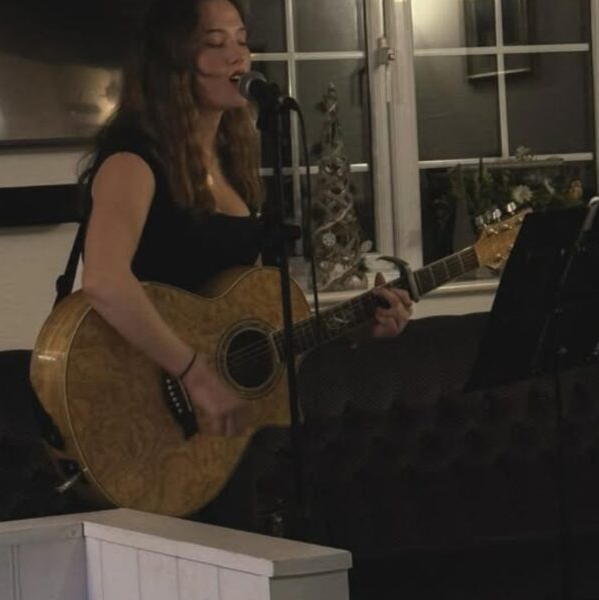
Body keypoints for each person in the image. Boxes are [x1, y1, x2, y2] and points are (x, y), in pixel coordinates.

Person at [78, 0, 413, 529]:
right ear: (172, 62)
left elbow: (243, 320)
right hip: (150, 413)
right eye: (214, 43)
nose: (237, 55)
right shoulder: (134, 159)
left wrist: (357, 328)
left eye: (241, 39)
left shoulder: (234, 159)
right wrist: (195, 375)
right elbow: (102, 279)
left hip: (224, 435)